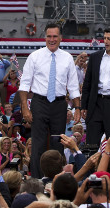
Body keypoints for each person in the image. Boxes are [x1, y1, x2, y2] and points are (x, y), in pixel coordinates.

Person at [18, 23, 82, 178]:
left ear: (60, 38)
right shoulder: (35, 56)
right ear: (45, 37)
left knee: (58, 144)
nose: (52, 39)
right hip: (39, 103)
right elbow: (25, 84)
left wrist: (78, 108)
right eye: (49, 36)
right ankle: (37, 180)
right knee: (38, 144)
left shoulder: (67, 58)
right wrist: (25, 108)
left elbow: (73, 86)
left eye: (55, 36)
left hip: (59, 104)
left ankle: (56, 178)